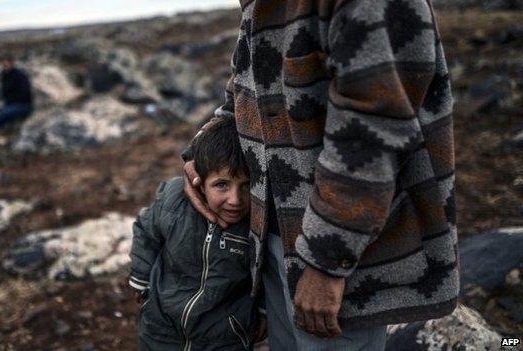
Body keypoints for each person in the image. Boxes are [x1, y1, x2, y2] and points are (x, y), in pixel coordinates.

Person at [183, 0, 459, 350]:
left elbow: (374, 132)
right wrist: (203, 151)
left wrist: (327, 260)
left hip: (342, 262)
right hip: (274, 240)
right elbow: (245, 87)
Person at [129, 117, 266, 350]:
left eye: (245, 186)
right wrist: (141, 281)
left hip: (224, 338)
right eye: (221, 185)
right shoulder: (174, 201)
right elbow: (146, 230)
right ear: (199, 182)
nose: (235, 200)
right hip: (161, 328)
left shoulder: (258, 224)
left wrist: (263, 311)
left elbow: (268, 271)